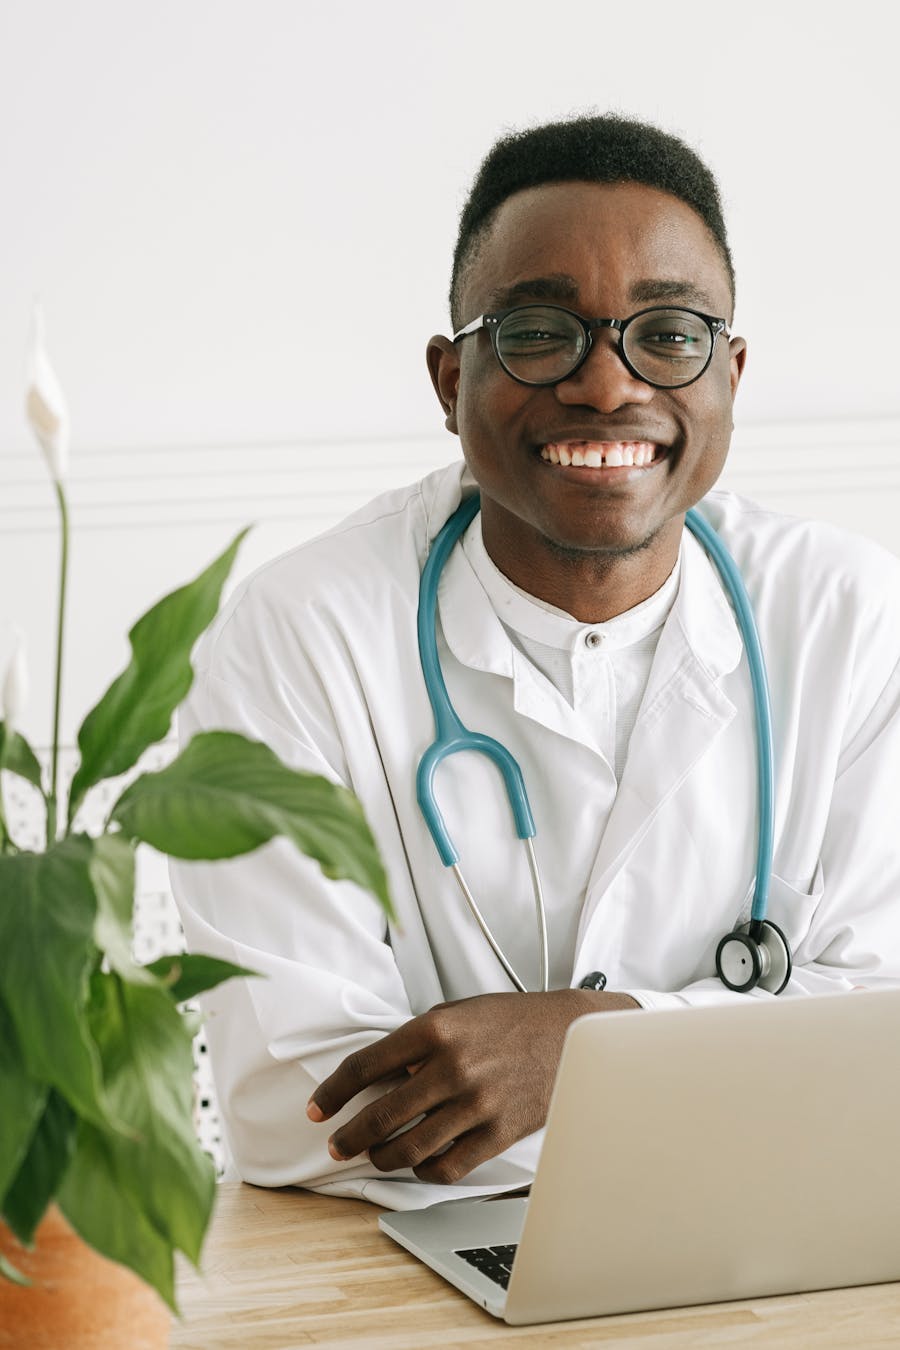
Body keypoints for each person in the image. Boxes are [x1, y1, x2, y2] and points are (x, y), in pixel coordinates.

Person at [170, 114, 900, 1209]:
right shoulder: (299, 635)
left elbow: (882, 1051)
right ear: (448, 375)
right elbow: (298, 1108)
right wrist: (747, 1072)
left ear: (732, 375)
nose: (608, 388)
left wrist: (584, 1050)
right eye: (540, 331)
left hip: (777, 1269)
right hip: (403, 1285)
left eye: (667, 333)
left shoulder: (851, 614)